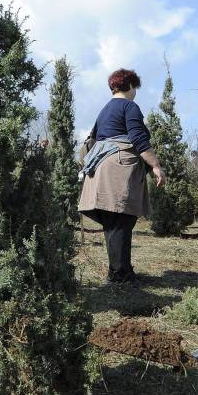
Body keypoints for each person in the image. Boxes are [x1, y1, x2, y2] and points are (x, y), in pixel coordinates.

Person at [78, 68, 164, 283]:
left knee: (113, 223)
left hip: (99, 171)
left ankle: (120, 271)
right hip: (118, 169)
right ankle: (120, 275)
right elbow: (138, 138)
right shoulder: (129, 106)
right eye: (135, 88)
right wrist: (155, 166)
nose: (136, 92)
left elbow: (93, 139)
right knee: (121, 221)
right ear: (130, 86)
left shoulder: (105, 109)